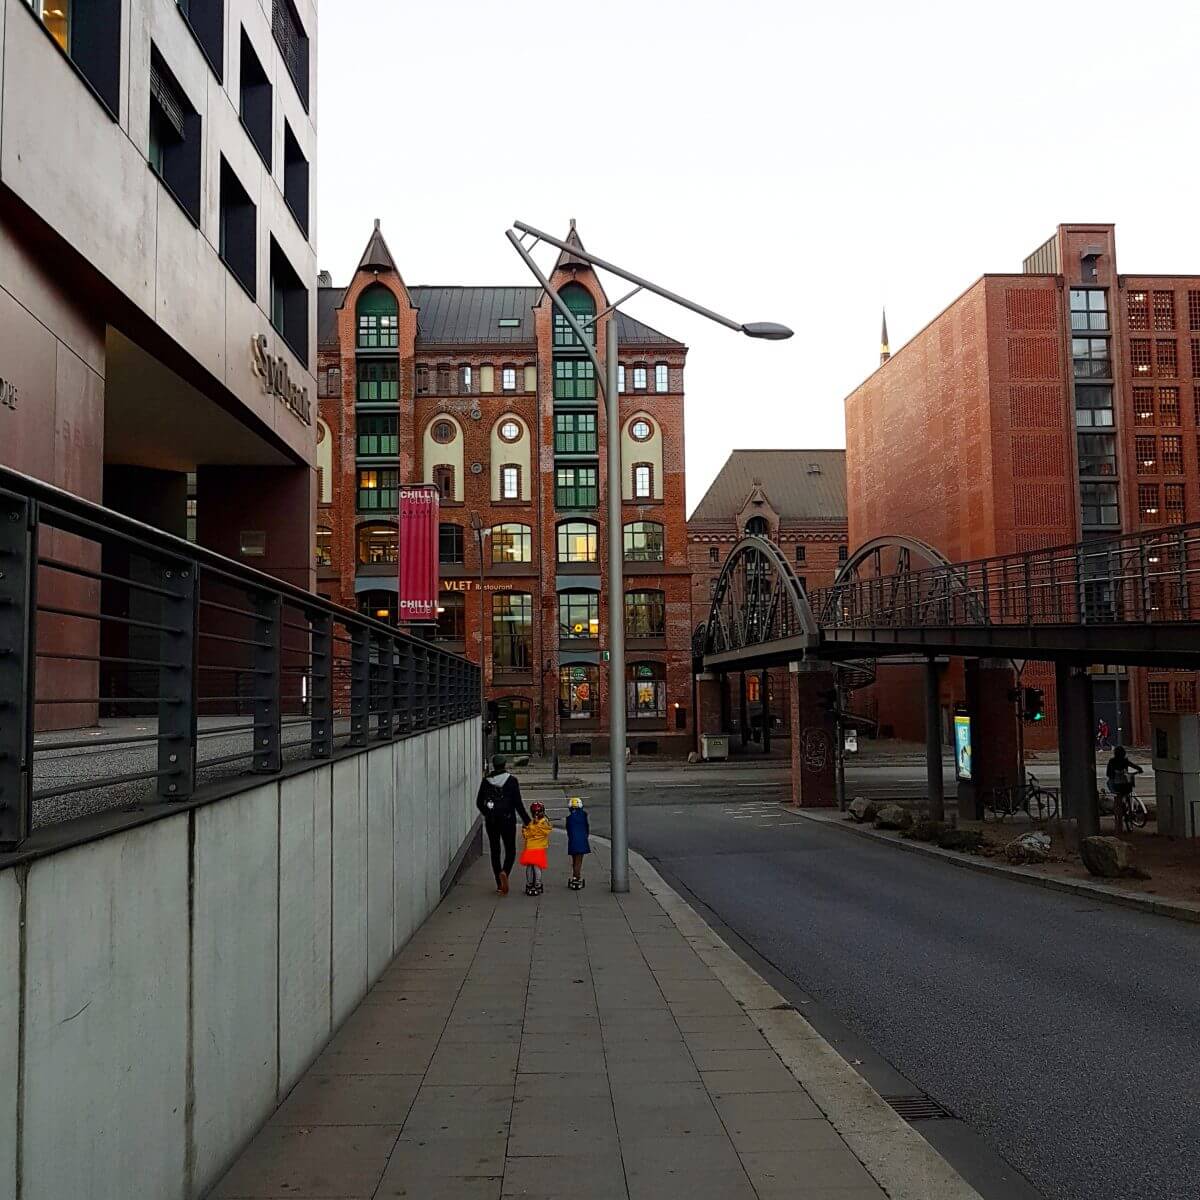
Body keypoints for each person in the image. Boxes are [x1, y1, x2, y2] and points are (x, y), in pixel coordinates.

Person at [476, 755, 530, 896]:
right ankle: (505, 872)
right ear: (505, 764)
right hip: (508, 820)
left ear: (494, 765)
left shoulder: (486, 781)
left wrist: (487, 813)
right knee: (510, 850)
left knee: (495, 851)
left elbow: (479, 802)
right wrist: (528, 822)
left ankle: (499, 884)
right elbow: (518, 804)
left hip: (492, 821)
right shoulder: (512, 781)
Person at [1105, 746, 1143, 834]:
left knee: (1117, 801)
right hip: (1126, 785)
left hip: (1116, 786)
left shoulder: (1112, 761)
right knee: (1128, 793)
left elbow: (1108, 774)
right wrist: (1139, 770)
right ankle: (1129, 810)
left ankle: (1118, 822)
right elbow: (1136, 767)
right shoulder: (1125, 761)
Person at [520, 802, 553, 896]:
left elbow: (525, 834)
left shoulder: (528, 823)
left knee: (530, 867)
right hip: (540, 848)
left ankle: (529, 884)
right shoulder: (544, 822)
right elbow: (547, 830)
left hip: (530, 848)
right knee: (537, 867)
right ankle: (538, 884)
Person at [565, 795, 590, 890]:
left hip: (572, 841)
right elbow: (587, 828)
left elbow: (568, 830)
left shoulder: (569, 818)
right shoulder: (584, 816)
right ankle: (577, 877)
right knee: (579, 861)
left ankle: (575, 876)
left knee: (574, 860)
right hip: (582, 841)